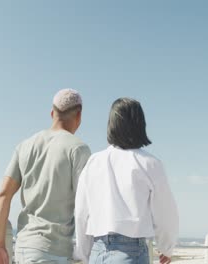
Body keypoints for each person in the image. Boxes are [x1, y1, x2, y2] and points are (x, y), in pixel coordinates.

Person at [0, 89, 91, 264]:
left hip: (23, 247)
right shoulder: (78, 149)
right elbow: (84, 205)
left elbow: (3, 195)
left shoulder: (25, 146)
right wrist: (86, 251)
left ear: (52, 113)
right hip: (53, 251)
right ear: (79, 115)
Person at [74, 97, 179, 264]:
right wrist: (166, 247)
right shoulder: (149, 163)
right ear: (140, 124)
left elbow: (81, 213)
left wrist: (82, 254)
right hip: (131, 252)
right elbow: (166, 212)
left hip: (97, 251)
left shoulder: (94, 162)